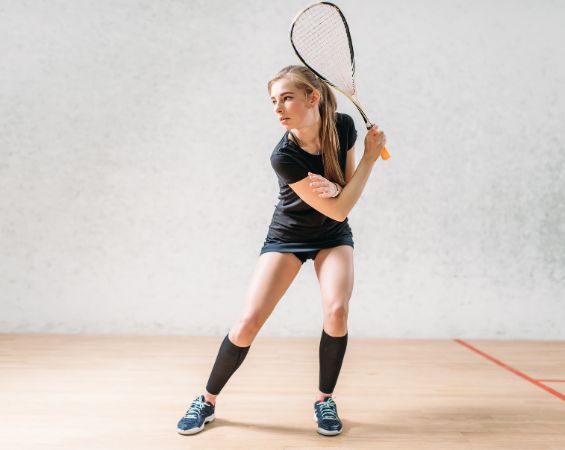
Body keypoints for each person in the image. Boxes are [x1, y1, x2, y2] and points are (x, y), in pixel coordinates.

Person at [177, 65, 386, 436]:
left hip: (332, 236)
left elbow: (343, 188)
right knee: (247, 323)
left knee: (337, 311)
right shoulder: (284, 156)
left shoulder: (343, 126)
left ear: (313, 97)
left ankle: (324, 400)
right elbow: (341, 206)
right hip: (288, 235)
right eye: (273, 101)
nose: (278, 108)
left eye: (286, 98)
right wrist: (370, 160)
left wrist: (341, 186)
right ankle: (206, 400)